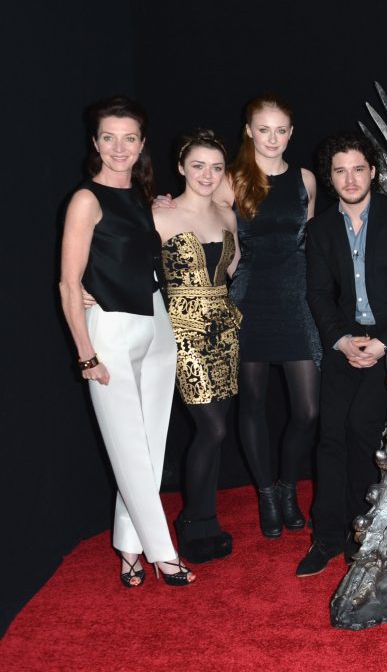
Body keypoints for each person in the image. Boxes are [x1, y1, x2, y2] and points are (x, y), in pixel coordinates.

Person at [58, 96, 195, 587]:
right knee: (127, 446)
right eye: (109, 137)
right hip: (109, 332)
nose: (120, 147)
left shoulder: (141, 198)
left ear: (141, 145)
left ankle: (129, 545)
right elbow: (68, 284)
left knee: (150, 445)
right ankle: (163, 553)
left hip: (157, 324)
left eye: (129, 138)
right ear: (95, 143)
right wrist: (85, 356)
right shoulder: (85, 199)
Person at [296, 134, 387, 576]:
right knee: (330, 433)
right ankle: (327, 536)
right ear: (330, 177)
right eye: (340, 170)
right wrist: (340, 341)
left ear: (373, 171)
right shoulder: (319, 228)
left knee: (361, 428)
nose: (350, 178)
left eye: (358, 168)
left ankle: (363, 533)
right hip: (345, 341)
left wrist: (385, 342)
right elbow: (317, 293)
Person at [224, 94, 320, 538]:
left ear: (292, 133)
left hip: (296, 300)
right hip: (249, 300)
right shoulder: (231, 181)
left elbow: (313, 245)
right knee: (253, 404)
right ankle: (265, 493)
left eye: (281, 130)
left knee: (306, 410)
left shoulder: (305, 179)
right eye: (264, 129)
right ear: (249, 130)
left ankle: (286, 486)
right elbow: (205, 226)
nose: (272, 138)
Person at [153, 129, 242, 563]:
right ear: (181, 168)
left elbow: (232, 267)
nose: (207, 175)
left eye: (216, 167)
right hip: (183, 330)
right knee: (213, 428)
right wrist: (90, 291)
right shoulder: (159, 216)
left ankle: (205, 518)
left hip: (224, 328)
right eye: (198, 166)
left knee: (217, 430)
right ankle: (195, 519)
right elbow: (124, 262)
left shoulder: (227, 216)